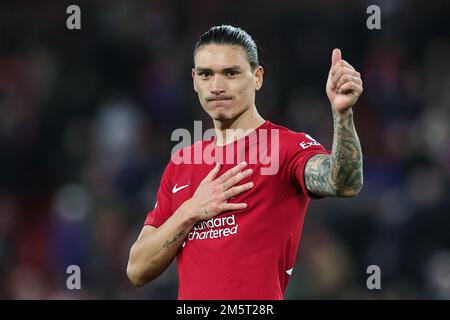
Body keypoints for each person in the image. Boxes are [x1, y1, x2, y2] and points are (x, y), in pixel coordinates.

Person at [126, 25, 363, 300]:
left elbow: (344, 183)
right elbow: (137, 270)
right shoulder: (182, 163)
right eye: (206, 74)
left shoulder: (285, 147)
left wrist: (343, 115)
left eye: (231, 73)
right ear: (194, 80)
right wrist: (190, 210)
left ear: (257, 77)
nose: (217, 87)